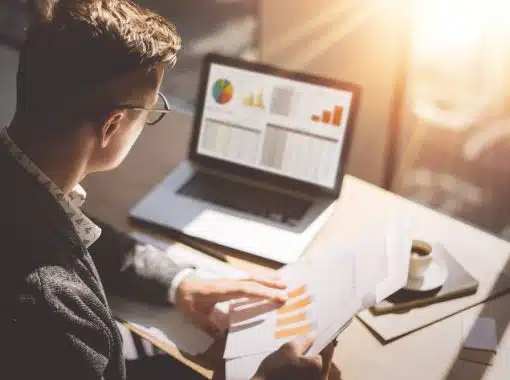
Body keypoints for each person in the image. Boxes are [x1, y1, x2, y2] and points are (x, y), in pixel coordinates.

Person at [0, 1, 336, 379]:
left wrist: (180, 283)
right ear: (112, 126)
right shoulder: (52, 313)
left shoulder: (23, 189)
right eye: (150, 112)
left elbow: (71, 231)